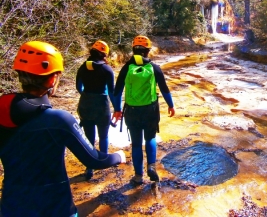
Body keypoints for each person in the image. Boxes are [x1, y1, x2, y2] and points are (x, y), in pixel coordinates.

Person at [0, 41, 126, 217]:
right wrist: (118, 156)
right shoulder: (59, 120)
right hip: (56, 207)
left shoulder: (3, 110)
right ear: (52, 79)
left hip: (11, 206)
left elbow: (79, 87)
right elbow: (94, 159)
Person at [112, 35, 175, 184]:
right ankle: (151, 167)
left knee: (136, 143)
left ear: (133, 49)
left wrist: (117, 109)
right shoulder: (154, 68)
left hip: (132, 111)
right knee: (150, 138)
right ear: (148, 50)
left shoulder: (126, 68)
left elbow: (117, 92)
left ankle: (138, 175)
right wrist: (171, 105)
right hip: (150, 111)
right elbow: (165, 89)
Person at [76, 40, 117, 180]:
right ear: (104, 54)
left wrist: (86, 96)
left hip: (85, 104)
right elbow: (112, 92)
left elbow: (78, 87)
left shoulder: (83, 67)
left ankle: (90, 167)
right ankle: (104, 161)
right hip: (101, 105)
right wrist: (117, 108)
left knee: (89, 137)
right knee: (104, 135)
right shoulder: (107, 70)